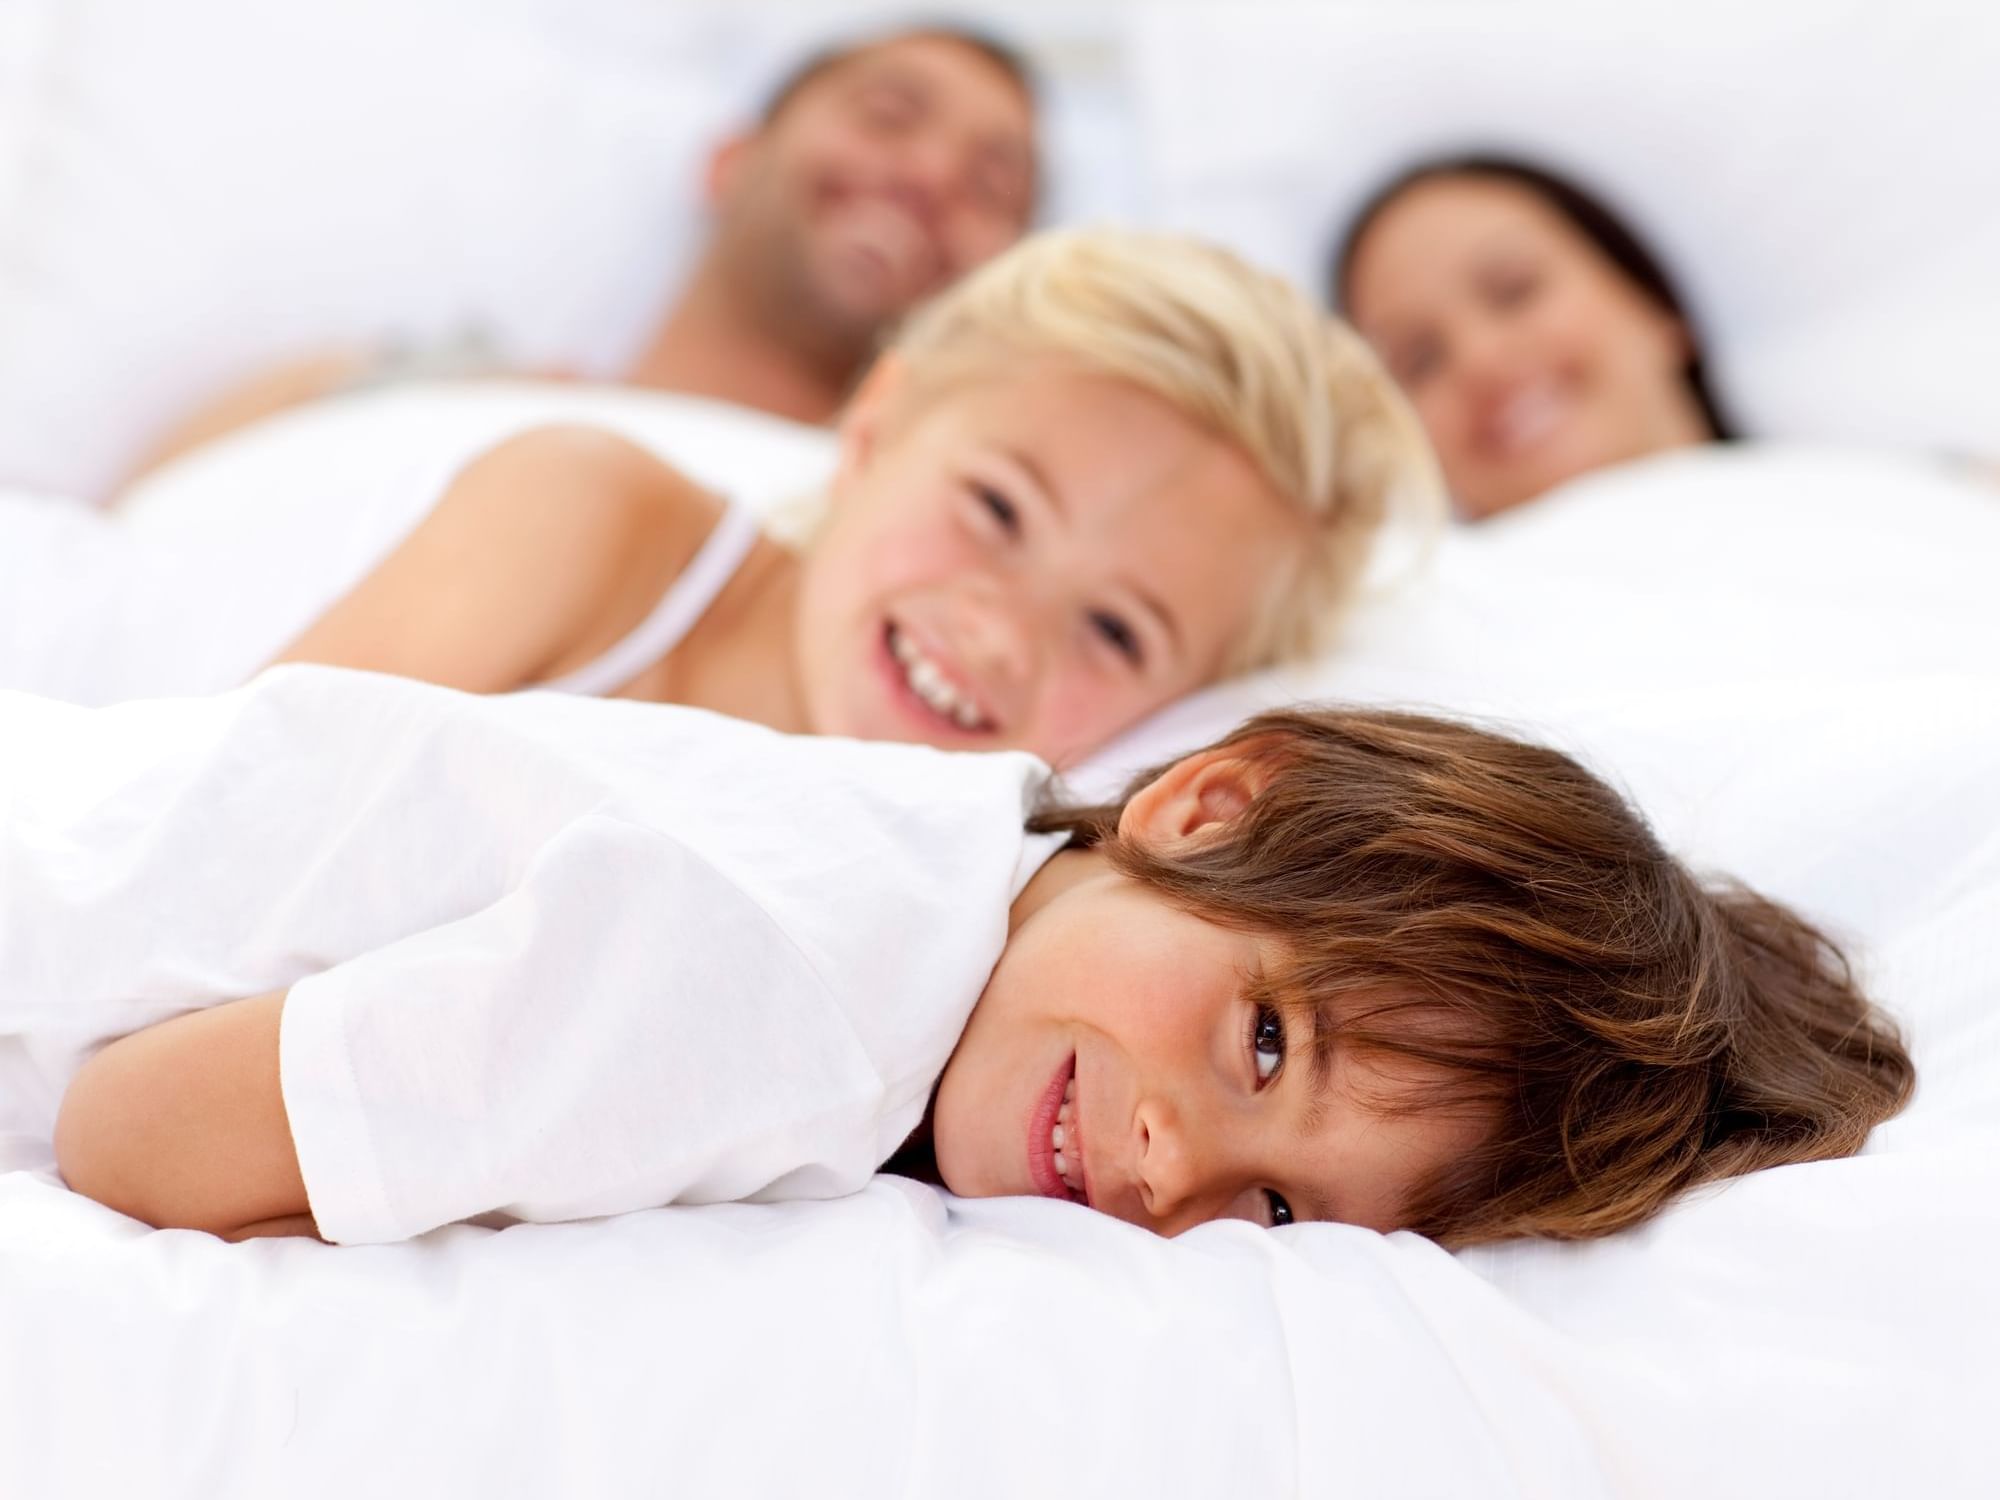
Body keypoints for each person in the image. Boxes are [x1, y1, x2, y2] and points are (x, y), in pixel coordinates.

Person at [23, 668, 1911, 1246]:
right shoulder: (786, 989)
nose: (1169, 1170)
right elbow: (127, 1140)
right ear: (1202, 805)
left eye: (1270, 1216)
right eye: (1263, 1052)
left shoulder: (964, 849)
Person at [264, 226, 1436, 768]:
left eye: (1117, 630)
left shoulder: (943, 911)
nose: (997, 628)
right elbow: (219, 813)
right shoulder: (584, 521)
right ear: (873, 431)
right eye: (997, 508)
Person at [123, 24, 1041, 484]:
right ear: (731, 162)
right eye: (888, 115)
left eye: (991, 189)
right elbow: (112, 555)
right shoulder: (407, 392)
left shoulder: (898, 579)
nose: (928, 175)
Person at [1332, 155, 1732, 523]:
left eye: (1514, 291)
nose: (1481, 359)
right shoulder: (1425, 599)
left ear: (1652, 301)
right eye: (1420, 361)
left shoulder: (1794, 506)